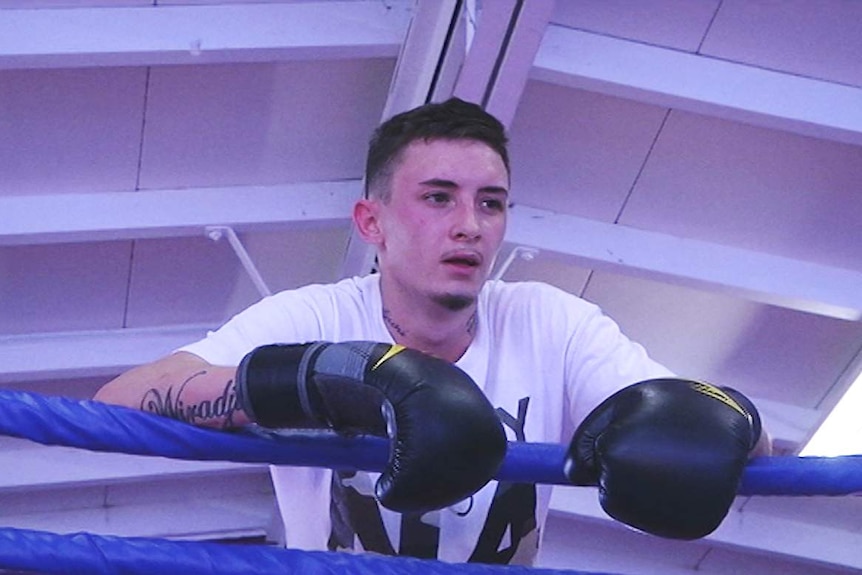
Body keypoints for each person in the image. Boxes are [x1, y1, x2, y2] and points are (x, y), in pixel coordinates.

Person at [95, 98, 768, 565]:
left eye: (491, 202)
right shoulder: (313, 318)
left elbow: (705, 422)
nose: (470, 225)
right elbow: (120, 401)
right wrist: (321, 378)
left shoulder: (547, 320)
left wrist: (726, 421)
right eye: (439, 197)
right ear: (371, 221)